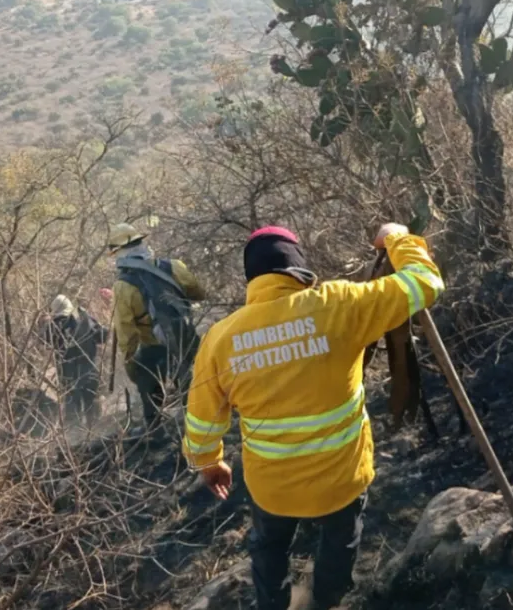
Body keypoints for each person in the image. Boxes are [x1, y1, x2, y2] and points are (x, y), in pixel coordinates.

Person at [182, 223, 443, 610]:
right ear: (300, 268)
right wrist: (395, 237)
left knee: (269, 546)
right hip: (342, 479)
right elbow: (425, 283)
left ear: (252, 278)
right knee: (341, 542)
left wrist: (209, 462)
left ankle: (274, 603)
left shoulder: (221, 338)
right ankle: (327, 601)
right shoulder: (342, 304)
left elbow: (204, 418)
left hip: (273, 488)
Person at [103, 223, 206, 434]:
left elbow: (126, 334)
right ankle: (200, 424)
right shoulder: (174, 266)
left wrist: (132, 365)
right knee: (195, 390)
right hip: (186, 338)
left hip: (153, 347)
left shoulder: (122, 286)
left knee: (148, 385)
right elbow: (199, 293)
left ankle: (155, 429)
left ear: (119, 253)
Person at [42, 294, 109, 429]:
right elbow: (102, 336)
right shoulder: (85, 319)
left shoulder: (53, 326)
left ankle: (75, 441)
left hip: (68, 375)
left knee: (72, 407)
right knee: (91, 404)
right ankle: (96, 435)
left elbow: (44, 340)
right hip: (89, 370)